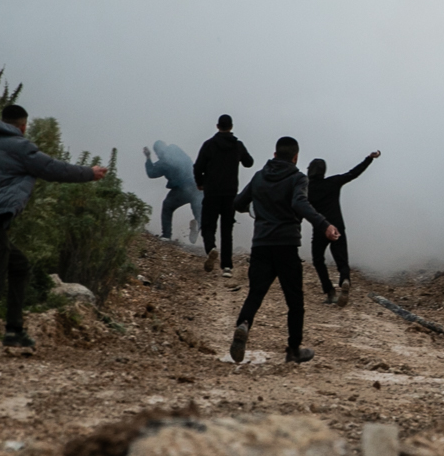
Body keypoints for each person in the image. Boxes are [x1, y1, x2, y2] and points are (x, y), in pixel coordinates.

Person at [0, 104, 107, 361]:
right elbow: (52, 168)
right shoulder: (19, 147)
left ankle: (14, 331)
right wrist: (89, 173)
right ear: (23, 127)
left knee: (18, 265)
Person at [228, 136, 339, 364]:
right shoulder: (298, 178)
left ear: (275, 154)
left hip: (261, 245)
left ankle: (243, 324)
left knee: (255, 294)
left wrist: (255, 208)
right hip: (286, 246)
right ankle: (293, 350)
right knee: (295, 301)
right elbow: (299, 203)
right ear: (295, 157)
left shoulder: (259, 176)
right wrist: (324, 225)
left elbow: (238, 203)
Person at [307, 150, 379, 306]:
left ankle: (329, 291)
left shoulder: (306, 189)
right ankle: (345, 279)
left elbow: (299, 209)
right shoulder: (333, 182)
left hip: (320, 228)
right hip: (337, 226)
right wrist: (369, 159)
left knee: (318, 260)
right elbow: (353, 173)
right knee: (342, 259)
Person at [194, 114, 254, 276]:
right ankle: (227, 267)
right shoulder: (237, 145)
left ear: (217, 126)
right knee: (227, 229)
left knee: (208, 225)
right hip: (230, 193)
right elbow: (249, 162)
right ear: (231, 127)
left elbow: (198, 167)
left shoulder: (209, 145)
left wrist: (200, 182)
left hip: (211, 192)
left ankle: (211, 248)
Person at [144, 141, 202, 244]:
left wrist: (148, 157)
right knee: (198, 210)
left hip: (182, 189)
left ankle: (166, 235)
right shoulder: (175, 150)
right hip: (197, 185)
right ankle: (199, 225)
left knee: (167, 205)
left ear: (157, 152)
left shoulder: (163, 162)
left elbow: (151, 173)